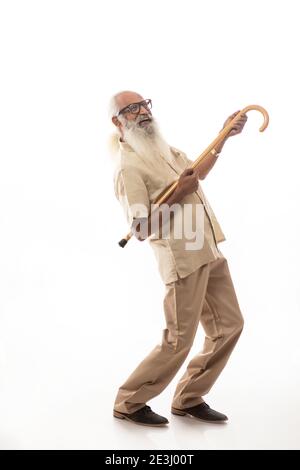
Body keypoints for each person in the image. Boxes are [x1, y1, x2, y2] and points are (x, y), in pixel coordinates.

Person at [109, 90, 247, 427]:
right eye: (131, 108)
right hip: (182, 258)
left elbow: (196, 171)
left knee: (230, 325)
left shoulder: (161, 149)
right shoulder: (128, 165)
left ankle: (188, 397)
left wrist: (224, 135)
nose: (142, 111)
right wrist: (180, 194)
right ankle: (129, 401)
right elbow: (140, 229)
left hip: (207, 247)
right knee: (178, 340)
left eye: (144, 104)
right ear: (117, 121)